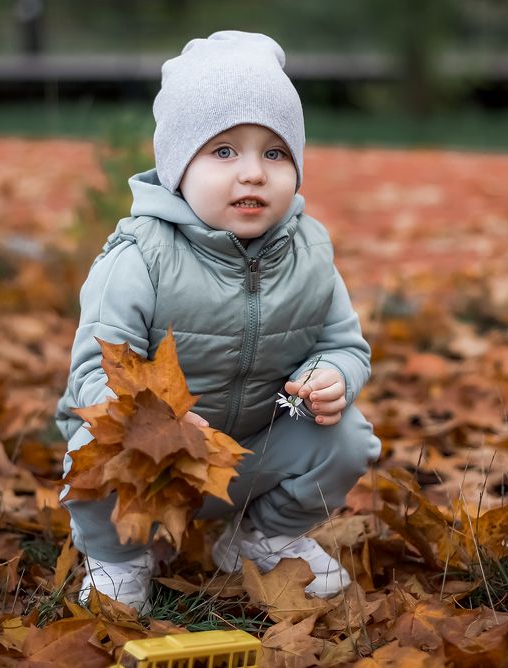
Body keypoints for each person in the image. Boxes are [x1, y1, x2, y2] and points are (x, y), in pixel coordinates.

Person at [56, 30, 381, 612]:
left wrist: (332, 374)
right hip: (156, 457)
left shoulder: (308, 255)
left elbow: (345, 345)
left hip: (256, 447)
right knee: (91, 441)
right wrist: (161, 423)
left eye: (274, 153)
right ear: (179, 165)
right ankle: (119, 559)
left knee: (350, 436)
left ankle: (262, 536)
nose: (253, 173)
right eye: (224, 151)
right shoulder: (140, 256)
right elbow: (93, 373)